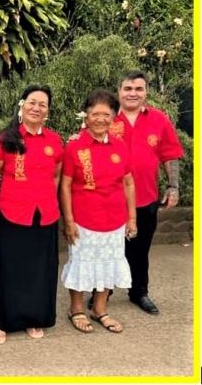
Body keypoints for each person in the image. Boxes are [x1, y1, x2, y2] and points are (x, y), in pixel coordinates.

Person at [87, 71, 184, 314]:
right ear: (119, 91)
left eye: (138, 89)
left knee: (140, 250)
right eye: (128, 88)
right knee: (105, 248)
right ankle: (102, 292)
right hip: (108, 199)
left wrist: (173, 187)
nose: (133, 93)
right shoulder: (104, 118)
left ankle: (138, 292)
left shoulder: (159, 120)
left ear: (146, 92)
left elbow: (170, 155)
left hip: (145, 197)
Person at [0, 85, 63, 344]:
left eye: (42, 104)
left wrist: (49, 199)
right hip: (13, 213)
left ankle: (34, 319)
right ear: (22, 105)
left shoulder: (54, 140)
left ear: (47, 111)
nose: (36, 108)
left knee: (41, 270)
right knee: (12, 269)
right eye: (32, 102)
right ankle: (5, 321)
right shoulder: (5, 139)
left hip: (46, 215)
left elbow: (57, 175)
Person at [61, 89, 136, 333]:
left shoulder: (120, 146)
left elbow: (128, 182)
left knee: (109, 262)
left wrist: (132, 218)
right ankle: (77, 308)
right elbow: (66, 185)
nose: (101, 119)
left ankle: (100, 309)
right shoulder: (74, 146)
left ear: (114, 117)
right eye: (95, 113)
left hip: (114, 219)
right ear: (86, 116)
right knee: (81, 262)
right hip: (83, 219)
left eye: (106, 114)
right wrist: (68, 221)